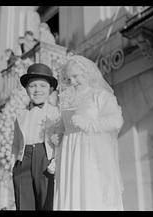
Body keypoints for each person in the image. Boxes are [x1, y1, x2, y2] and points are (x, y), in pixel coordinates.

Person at [52, 55, 124, 210]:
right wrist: (58, 133)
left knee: (90, 190)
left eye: (76, 76)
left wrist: (89, 124)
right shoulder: (66, 99)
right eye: (68, 78)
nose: (72, 81)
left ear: (86, 74)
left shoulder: (99, 96)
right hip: (68, 153)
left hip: (90, 152)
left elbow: (116, 121)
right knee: (70, 193)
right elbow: (64, 125)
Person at [11, 63, 60, 210]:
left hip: (46, 158)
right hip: (23, 159)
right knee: (24, 202)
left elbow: (62, 141)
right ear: (26, 89)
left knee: (47, 201)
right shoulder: (20, 115)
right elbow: (16, 142)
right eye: (32, 86)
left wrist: (55, 161)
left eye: (42, 86)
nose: (37, 90)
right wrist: (13, 165)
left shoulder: (57, 113)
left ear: (51, 89)